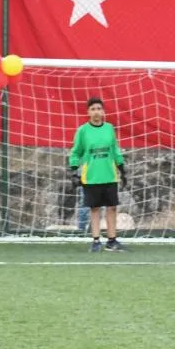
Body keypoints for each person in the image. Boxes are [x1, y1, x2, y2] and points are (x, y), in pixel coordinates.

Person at [69, 96, 128, 252]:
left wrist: (121, 168)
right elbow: (76, 152)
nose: (96, 112)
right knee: (95, 209)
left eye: (99, 109)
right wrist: (74, 170)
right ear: (88, 112)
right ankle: (96, 241)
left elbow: (115, 149)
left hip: (109, 175)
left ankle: (112, 240)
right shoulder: (82, 131)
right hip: (91, 176)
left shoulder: (109, 128)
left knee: (112, 208)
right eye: (93, 109)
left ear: (103, 112)